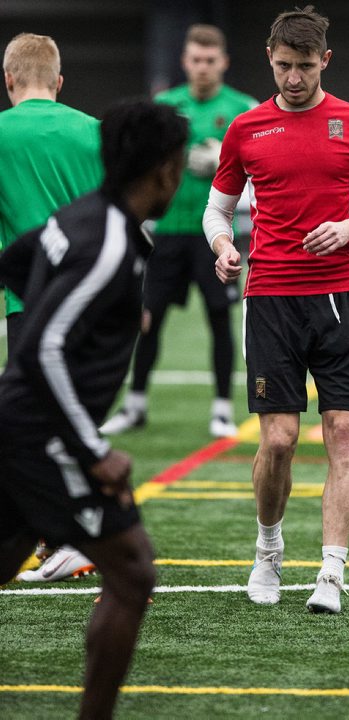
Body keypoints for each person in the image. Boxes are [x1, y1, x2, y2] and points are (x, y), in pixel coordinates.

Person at [203, 6, 349, 613]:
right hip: (270, 298)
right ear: (269, 58)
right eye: (282, 66)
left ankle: (331, 572)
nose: (293, 79)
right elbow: (217, 212)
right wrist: (223, 247)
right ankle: (269, 549)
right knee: (280, 441)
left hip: (343, 297)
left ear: (325, 61)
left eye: (304, 67)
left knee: (343, 430)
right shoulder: (244, 129)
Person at [0, 99, 188, 719]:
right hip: (43, 436)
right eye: (180, 165)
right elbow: (41, 347)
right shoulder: (109, 240)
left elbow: (17, 261)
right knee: (132, 572)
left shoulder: (83, 217)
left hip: (20, 426)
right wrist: (93, 450)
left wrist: (104, 310)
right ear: (162, 170)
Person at [100, 24, 258, 439]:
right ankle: (135, 404)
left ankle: (222, 408)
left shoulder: (244, 108)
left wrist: (224, 155)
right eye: (196, 59)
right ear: (185, 62)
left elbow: (262, 166)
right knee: (148, 319)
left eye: (210, 60)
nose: (203, 67)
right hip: (165, 232)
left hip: (216, 234)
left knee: (219, 318)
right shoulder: (164, 106)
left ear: (223, 62)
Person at [0, 32, 104, 581]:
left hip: (31, 303)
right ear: (59, 82)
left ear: (9, 79)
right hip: (93, 300)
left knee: (27, 424)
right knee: (72, 417)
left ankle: (68, 537)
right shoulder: (93, 131)